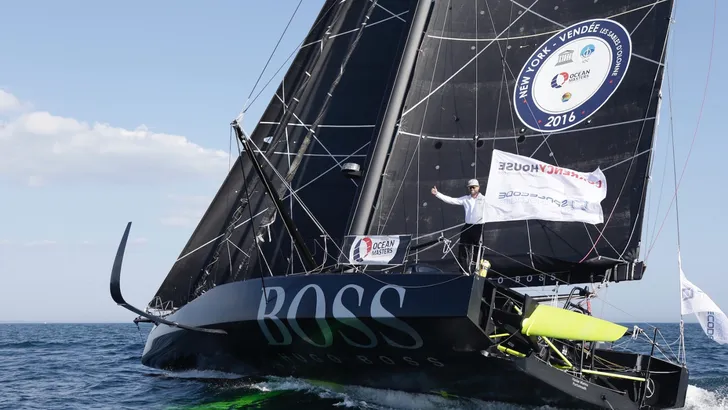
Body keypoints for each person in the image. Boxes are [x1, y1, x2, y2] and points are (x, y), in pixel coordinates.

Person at [431, 179, 486, 274]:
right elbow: (452, 200)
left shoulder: (484, 199)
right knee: (463, 248)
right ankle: (464, 271)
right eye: (470, 187)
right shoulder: (466, 199)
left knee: (478, 250)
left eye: (474, 187)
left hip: (479, 227)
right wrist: (437, 194)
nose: (472, 188)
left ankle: (476, 271)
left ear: (478, 187)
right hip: (468, 226)